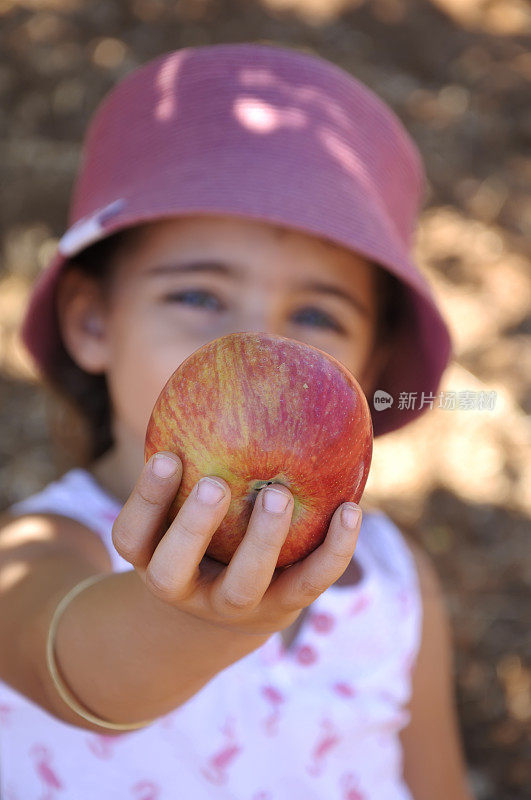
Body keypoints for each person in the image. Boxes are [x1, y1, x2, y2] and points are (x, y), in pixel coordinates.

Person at [0, 42, 475, 799]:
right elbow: (74, 668)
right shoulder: (34, 553)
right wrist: (202, 625)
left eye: (316, 313)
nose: (259, 344)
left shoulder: (389, 579)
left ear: (370, 368)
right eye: (198, 295)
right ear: (92, 321)